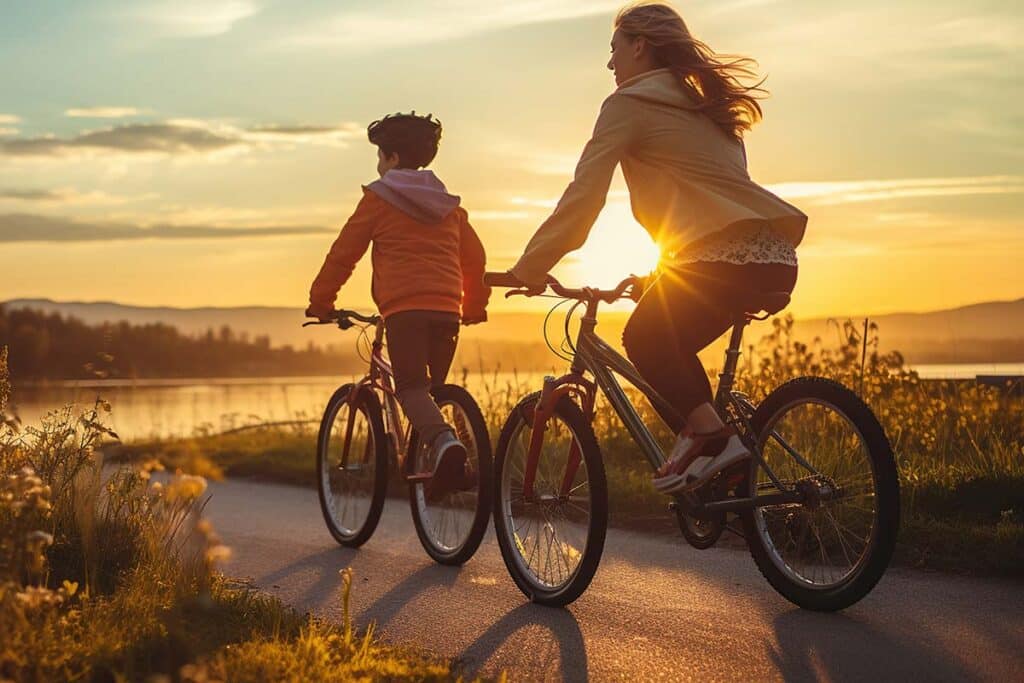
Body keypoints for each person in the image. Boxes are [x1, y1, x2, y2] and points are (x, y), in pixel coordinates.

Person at [503, 3, 807, 494]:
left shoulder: (628, 103)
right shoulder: (709, 108)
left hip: (723, 260)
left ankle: (712, 440)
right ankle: (722, 468)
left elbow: (584, 197)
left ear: (639, 46)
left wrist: (531, 266)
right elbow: (706, 202)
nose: (610, 64)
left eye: (614, 49)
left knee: (644, 339)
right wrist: (661, 273)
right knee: (672, 347)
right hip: (771, 259)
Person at [306, 112, 490, 497]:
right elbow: (474, 258)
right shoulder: (449, 207)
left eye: (379, 156)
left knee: (408, 389)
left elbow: (344, 254)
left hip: (405, 309)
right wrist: (473, 305)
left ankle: (447, 446)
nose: (377, 165)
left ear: (390, 157)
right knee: (432, 392)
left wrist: (322, 301)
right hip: (447, 309)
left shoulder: (378, 199)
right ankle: (448, 465)